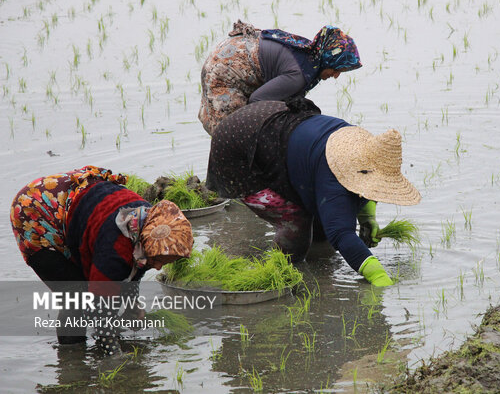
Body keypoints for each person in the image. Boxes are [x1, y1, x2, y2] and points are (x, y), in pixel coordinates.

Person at [206, 99, 421, 286]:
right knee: (296, 222)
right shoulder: (333, 173)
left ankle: (316, 272)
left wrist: (367, 217)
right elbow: (341, 234)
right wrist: (378, 275)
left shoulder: (360, 152)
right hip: (238, 147)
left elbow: (365, 187)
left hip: (271, 127)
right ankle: (283, 274)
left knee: (322, 225)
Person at [9, 165, 194, 354]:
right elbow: (99, 305)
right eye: (158, 260)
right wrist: (113, 354)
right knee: (76, 295)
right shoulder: (116, 246)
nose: (158, 267)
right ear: (145, 244)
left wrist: (133, 306)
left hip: (75, 205)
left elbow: (132, 270)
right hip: (36, 210)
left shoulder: (149, 227)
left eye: (166, 262)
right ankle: (71, 360)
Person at [198, 20, 362, 135]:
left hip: (230, 53)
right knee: (233, 132)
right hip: (225, 69)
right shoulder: (298, 75)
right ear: (328, 60)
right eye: (336, 69)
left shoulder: (311, 55)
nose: (336, 76)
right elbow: (257, 100)